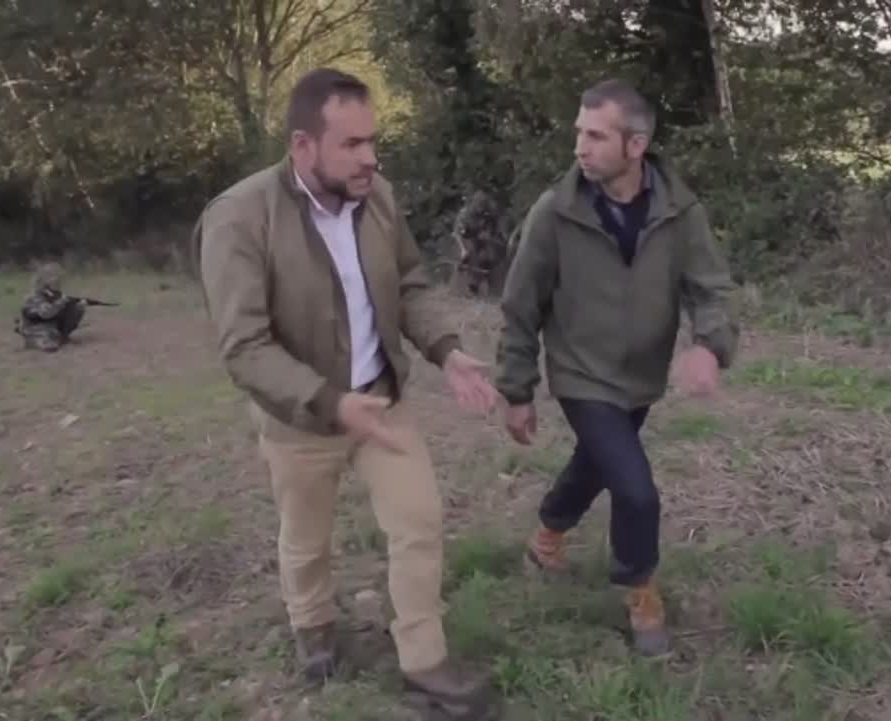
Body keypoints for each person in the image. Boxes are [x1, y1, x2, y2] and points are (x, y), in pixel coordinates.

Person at [192, 67, 500, 718]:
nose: (370, 158)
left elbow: (410, 284)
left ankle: (424, 663)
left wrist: (446, 350)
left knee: (419, 523)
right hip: (300, 417)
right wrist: (329, 402)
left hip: (382, 402)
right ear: (303, 146)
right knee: (306, 535)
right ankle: (313, 624)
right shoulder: (239, 217)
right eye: (352, 144)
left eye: (372, 141)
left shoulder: (377, 198)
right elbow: (244, 345)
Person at [493, 78, 739, 657]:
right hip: (581, 372)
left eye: (596, 136)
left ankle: (546, 538)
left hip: (641, 376)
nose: (580, 147)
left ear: (636, 145)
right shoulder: (555, 213)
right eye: (580, 132)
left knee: (596, 463)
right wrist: (516, 388)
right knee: (636, 489)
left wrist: (709, 345)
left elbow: (711, 288)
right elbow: (520, 305)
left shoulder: (679, 211)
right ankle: (639, 588)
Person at [15, 262, 87, 351]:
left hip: (50, 328)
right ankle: (40, 341)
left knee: (78, 308)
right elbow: (45, 314)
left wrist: (76, 307)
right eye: (55, 279)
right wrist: (60, 303)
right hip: (36, 330)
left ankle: (61, 336)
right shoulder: (35, 296)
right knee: (49, 345)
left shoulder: (53, 294)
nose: (58, 282)